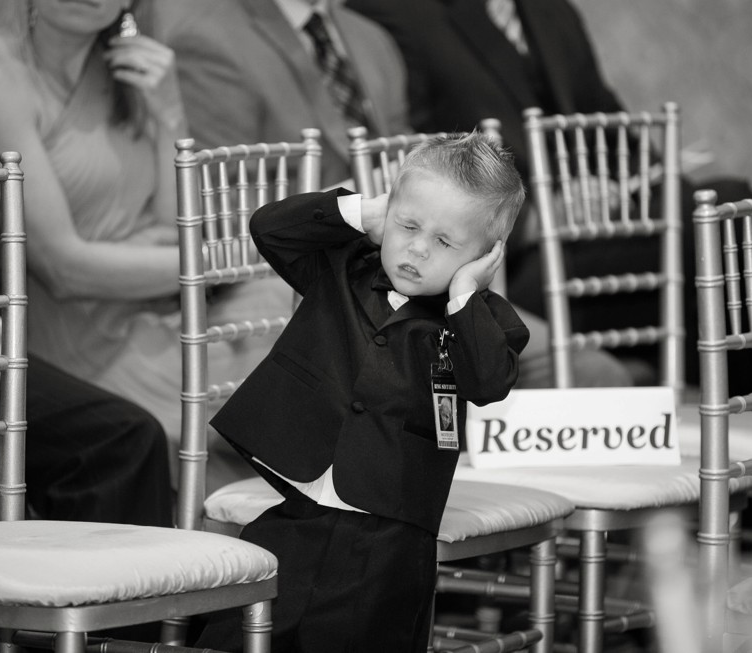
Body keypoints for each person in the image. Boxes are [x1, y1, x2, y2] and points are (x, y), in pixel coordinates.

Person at [194, 133, 530, 652]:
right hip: (300, 492)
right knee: (246, 625)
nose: (418, 248)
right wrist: (364, 212)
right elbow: (269, 229)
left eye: (445, 242)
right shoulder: (345, 266)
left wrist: (465, 295)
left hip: (391, 518)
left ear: (484, 256)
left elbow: (487, 383)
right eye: (409, 225)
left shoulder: (482, 321)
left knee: (370, 630)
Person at [347, 0, 752, 391]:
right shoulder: (396, 12)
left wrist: (631, 188)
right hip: (512, 257)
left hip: (598, 231)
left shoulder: (551, 11)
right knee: (729, 221)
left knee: (726, 207)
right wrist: (535, 215)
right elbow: (420, 161)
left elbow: (610, 126)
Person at [0, 0, 273, 489]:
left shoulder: (136, 67)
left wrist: (171, 114)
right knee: (303, 335)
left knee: (315, 307)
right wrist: (235, 258)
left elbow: (171, 225)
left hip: (156, 307)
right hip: (68, 335)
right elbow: (62, 267)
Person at [0, 0, 171, 534]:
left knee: (129, 434)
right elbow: (63, 266)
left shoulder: (143, 75)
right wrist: (223, 263)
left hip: (140, 307)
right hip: (68, 313)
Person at [152, 0, 411, 189]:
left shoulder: (371, 36)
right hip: (293, 255)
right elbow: (224, 194)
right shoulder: (208, 40)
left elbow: (403, 149)